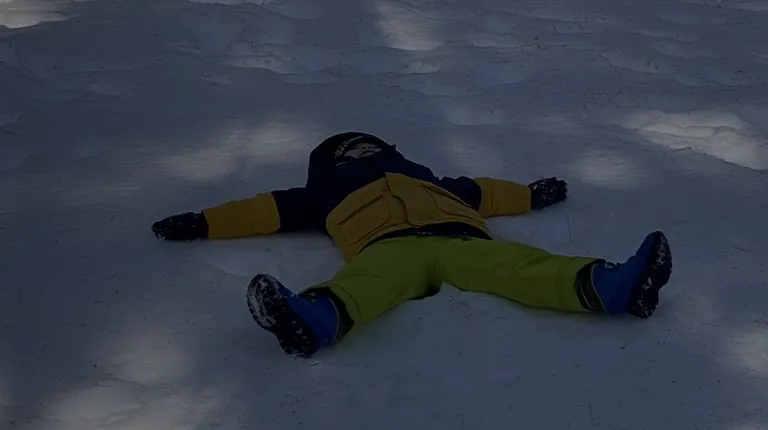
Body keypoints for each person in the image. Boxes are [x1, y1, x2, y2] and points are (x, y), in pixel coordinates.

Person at [151, 132, 672, 358]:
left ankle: (611, 285)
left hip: (461, 240)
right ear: (330, 166)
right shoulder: (320, 195)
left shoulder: (430, 180)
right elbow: (262, 211)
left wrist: (530, 194)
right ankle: (315, 318)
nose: (363, 153)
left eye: (368, 146)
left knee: (519, 265)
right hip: (388, 248)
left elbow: (486, 192)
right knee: (367, 283)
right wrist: (203, 222)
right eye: (351, 151)